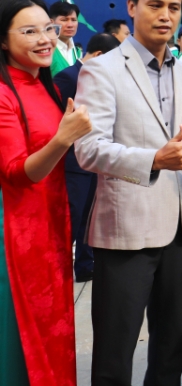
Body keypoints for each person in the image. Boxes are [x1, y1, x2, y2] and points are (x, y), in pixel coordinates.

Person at [75, 0, 182, 385]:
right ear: (131, 8)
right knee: (116, 348)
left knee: (170, 347)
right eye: (155, 5)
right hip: (127, 231)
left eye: (174, 7)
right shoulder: (102, 70)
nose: (165, 15)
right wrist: (153, 159)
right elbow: (88, 149)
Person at [0, 0, 92, 386]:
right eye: (29, 31)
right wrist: (61, 139)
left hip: (51, 230)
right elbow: (16, 172)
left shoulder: (47, 86)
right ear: (3, 41)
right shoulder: (4, 92)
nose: (44, 38)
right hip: (16, 236)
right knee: (19, 340)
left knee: (54, 331)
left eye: (48, 29)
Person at [54, 33, 122, 283]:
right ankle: (58, 270)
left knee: (88, 218)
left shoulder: (100, 79)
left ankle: (85, 265)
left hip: (95, 160)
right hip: (73, 163)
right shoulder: (67, 77)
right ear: (99, 56)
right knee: (72, 218)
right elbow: (57, 120)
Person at [50, 1, 82, 75]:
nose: (70, 25)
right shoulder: (46, 50)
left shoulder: (77, 52)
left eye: (73, 20)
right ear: (51, 22)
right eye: (64, 20)